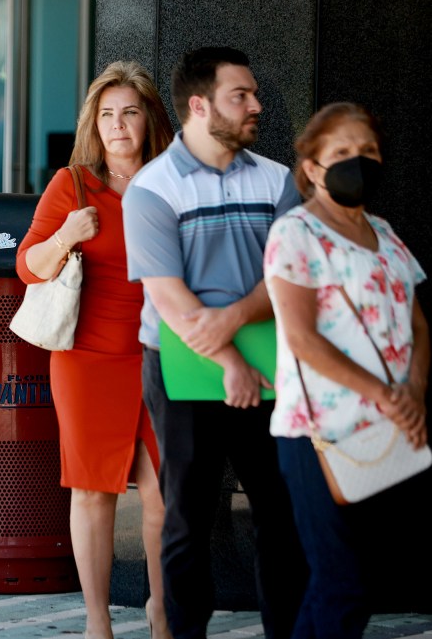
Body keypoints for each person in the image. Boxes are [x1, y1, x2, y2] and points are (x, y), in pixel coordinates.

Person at [122, 46, 308, 639]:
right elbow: (169, 298)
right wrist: (229, 358)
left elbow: (289, 275)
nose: (256, 106)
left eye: (254, 94)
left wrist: (229, 325)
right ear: (199, 106)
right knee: (187, 517)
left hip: (270, 362)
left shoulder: (278, 180)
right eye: (241, 95)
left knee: (281, 513)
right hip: (179, 367)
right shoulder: (151, 188)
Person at [16, 61, 173, 639]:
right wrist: (65, 236)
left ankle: (162, 610)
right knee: (92, 490)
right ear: (93, 123)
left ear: (149, 118)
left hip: (163, 354)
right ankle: (97, 622)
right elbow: (27, 266)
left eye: (129, 112)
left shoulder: (175, 181)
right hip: (87, 359)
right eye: (107, 114)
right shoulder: (73, 184)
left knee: (163, 493)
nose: (118, 124)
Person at [263, 103, 429, 638]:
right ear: (312, 167)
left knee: (352, 584)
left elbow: (416, 323)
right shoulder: (296, 232)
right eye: (341, 152)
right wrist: (385, 393)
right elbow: (302, 337)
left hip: (387, 426)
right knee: (343, 583)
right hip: (318, 433)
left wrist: (413, 391)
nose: (358, 161)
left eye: (369, 151)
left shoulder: (384, 231)